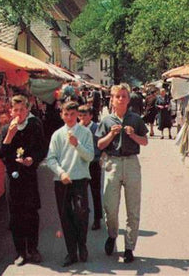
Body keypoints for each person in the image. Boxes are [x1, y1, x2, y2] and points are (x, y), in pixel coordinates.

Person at [96, 84, 148, 263]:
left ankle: (129, 247)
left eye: (124, 96)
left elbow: (145, 142)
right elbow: (100, 145)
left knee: (133, 208)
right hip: (113, 163)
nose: (120, 99)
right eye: (117, 96)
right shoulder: (107, 120)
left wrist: (133, 136)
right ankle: (112, 235)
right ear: (112, 99)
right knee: (110, 207)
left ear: (128, 99)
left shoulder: (135, 119)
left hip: (131, 162)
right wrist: (111, 135)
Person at [0, 94, 46, 265]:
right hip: (12, 176)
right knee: (15, 216)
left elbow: (42, 149)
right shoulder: (5, 129)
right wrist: (9, 135)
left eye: (22, 110)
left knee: (31, 213)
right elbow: (0, 153)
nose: (19, 113)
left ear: (27, 110)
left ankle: (33, 249)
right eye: (15, 110)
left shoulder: (35, 125)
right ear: (10, 111)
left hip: (29, 175)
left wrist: (33, 159)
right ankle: (21, 252)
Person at [47, 101, 94, 267]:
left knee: (81, 212)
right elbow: (50, 159)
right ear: (61, 115)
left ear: (77, 116)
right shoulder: (57, 135)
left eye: (73, 114)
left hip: (80, 178)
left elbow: (89, 156)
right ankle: (71, 252)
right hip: (62, 180)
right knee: (65, 216)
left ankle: (82, 244)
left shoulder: (85, 133)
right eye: (66, 114)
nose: (69, 118)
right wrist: (61, 173)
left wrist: (77, 145)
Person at [78, 104, 103, 231]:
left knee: (95, 191)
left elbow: (102, 145)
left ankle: (97, 218)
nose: (82, 118)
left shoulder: (96, 128)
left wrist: (102, 158)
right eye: (80, 116)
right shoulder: (77, 129)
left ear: (91, 116)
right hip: (81, 164)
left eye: (85, 115)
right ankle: (83, 217)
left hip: (93, 163)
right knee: (81, 192)